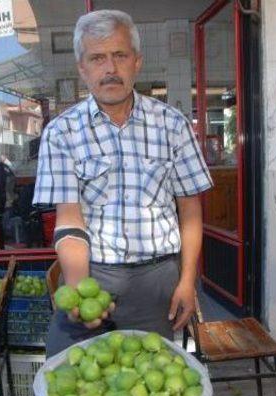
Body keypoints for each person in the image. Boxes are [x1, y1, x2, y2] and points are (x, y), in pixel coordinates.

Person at [33, 10, 213, 357]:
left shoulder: (172, 126)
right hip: (93, 274)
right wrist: (79, 289)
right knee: (68, 371)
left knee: (148, 382)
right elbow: (69, 219)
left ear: (137, 62)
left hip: (156, 280)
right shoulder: (61, 133)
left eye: (120, 55)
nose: (110, 68)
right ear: (82, 68)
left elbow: (190, 212)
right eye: (97, 58)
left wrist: (187, 281)